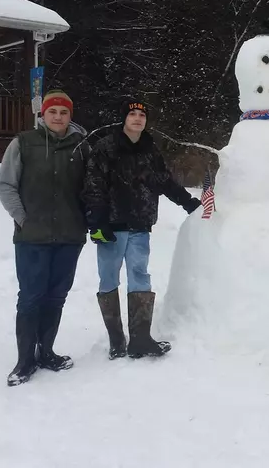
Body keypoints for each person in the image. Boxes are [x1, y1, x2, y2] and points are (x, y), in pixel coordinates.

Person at [82, 102, 202, 360]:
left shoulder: (150, 149)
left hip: (140, 226)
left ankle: (140, 339)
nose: (137, 119)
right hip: (111, 228)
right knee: (108, 278)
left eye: (142, 115)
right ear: (123, 118)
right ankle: (116, 340)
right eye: (132, 114)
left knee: (139, 276)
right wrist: (97, 222)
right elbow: (93, 185)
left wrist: (188, 202)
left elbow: (164, 181)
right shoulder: (106, 147)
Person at [0, 90, 90, 387]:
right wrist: (23, 218)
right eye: (53, 112)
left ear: (70, 116)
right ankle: (25, 360)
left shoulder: (83, 146)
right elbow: (6, 184)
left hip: (70, 235)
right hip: (32, 237)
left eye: (64, 112)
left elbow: (93, 187)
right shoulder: (23, 143)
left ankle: (46, 351)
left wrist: (87, 220)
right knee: (30, 297)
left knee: (56, 296)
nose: (58, 117)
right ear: (43, 115)